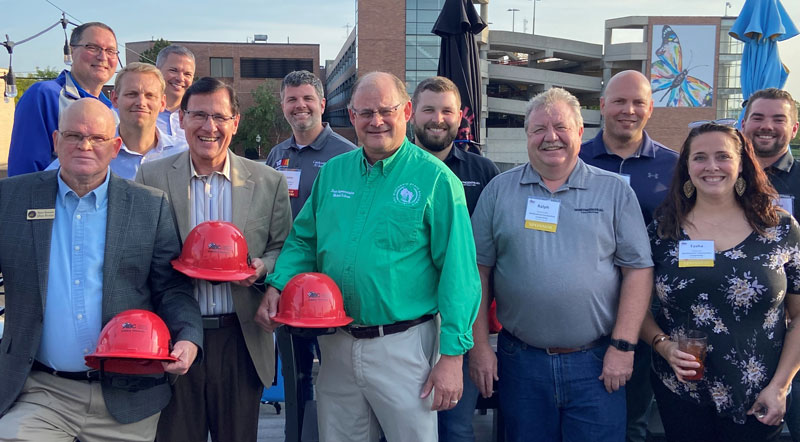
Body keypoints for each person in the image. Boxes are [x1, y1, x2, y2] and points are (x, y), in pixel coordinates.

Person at [255, 71, 481, 442]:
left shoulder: (437, 180)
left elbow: (459, 274)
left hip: (404, 346)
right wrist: (278, 285)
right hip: (336, 344)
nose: (376, 121)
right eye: (365, 113)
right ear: (352, 117)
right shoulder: (335, 173)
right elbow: (304, 242)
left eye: (385, 110)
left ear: (406, 111)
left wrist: (453, 356)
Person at [0, 98, 202, 441]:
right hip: (41, 391)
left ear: (115, 146)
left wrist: (188, 337)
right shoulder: (11, 199)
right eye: (73, 135)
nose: (84, 145)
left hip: (128, 395)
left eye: (96, 138)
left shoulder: (149, 205)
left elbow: (172, 288)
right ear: (55, 141)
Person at [470, 87, 654, 442]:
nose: (550, 137)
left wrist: (623, 347)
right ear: (527, 135)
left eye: (561, 127)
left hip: (597, 363)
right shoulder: (498, 191)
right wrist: (479, 348)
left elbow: (638, 271)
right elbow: (478, 271)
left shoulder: (614, 191)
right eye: (539, 129)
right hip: (522, 362)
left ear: (580, 132)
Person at [135, 77, 292, 442]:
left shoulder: (269, 182)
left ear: (235, 122)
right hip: (172, 337)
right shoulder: (151, 176)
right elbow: (139, 254)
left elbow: (284, 247)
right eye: (199, 116)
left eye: (220, 117)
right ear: (181, 119)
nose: (210, 127)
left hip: (241, 336)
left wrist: (263, 269)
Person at [641, 123, 800, 442]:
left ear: (741, 164)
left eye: (722, 156)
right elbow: (637, 308)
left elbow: (798, 317)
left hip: (759, 396)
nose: (711, 166)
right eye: (699, 157)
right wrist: (664, 346)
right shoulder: (662, 231)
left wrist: (780, 387)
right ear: (686, 168)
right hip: (681, 393)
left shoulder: (780, 228)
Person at [579, 69, 678, 442]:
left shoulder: (674, 166)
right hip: (586, 304)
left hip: (648, 311)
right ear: (602, 105)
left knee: (634, 414)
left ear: (650, 108)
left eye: (638, 102)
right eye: (619, 101)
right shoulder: (575, 158)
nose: (629, 110)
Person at [266, 69, 356, 440]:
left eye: (307, 99)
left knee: (339, 376)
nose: (299, 106)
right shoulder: (277, 154)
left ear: (322, 104)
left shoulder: (348, 156)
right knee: (295, 376)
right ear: (283, 106)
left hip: (334, 292)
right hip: (287, 285)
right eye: (291, 99)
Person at [410, 75, 499, 442]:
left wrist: (481, 344)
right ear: (411, 113)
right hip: (408, 325)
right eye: (428, 109)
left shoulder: (484, 173)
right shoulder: (393, 170)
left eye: (446, 110)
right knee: (404, 424)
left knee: (456, 427)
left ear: (460, 115)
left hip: (463, 324)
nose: (437, 118)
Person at [8, 22, 119, 176]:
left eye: (111, 51)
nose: (103, 57)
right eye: (92, 47)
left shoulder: (112, 109)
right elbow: (25, 169)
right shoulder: (44, 95)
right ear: (72, 50)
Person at [47, 62, 185, 179]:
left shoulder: (183, 153)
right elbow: (44, 182)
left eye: (150, 96)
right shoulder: (90, 152)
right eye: (132, 94)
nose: (141, 102)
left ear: (162, 103)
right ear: (114, 99)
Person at [155, 44, 195, 150]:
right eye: (173, 70)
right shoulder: (141, 113)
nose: (180, 78)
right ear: (157, 71)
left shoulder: (198, 117)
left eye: (187, 74)